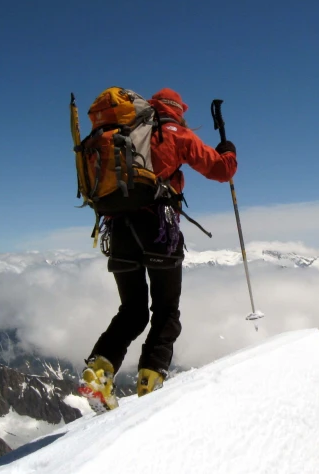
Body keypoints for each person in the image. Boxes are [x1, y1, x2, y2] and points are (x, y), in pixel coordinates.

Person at [78, 88, 238, 410]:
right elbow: (221, 170)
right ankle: (150, 383)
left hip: (118, 230)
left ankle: (97, 373)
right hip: (159, 230)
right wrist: (228, 151)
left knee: (132, 312)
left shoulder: (124, 134)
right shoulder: (174, 133)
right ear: (177, 109)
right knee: (165, 313)